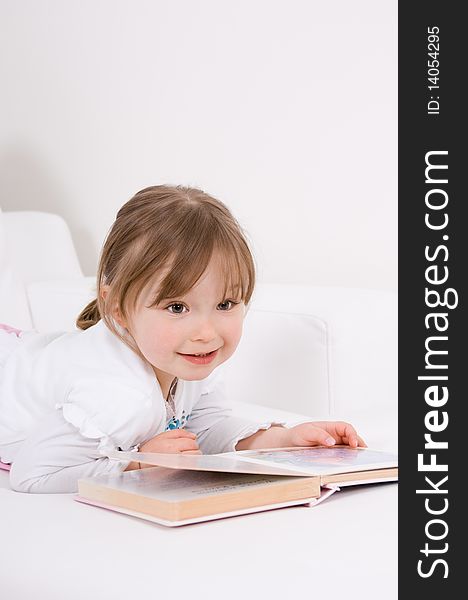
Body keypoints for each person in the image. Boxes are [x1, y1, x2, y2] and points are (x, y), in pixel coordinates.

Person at [0, 185, 366, 493]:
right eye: (176, 307)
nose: (206, 333)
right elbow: (33, 474)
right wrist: (135, 466)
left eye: (225, 303)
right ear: (117, 307)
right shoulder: (117, 395)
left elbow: (202, 426)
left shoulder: (186, 360)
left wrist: (283, 441)